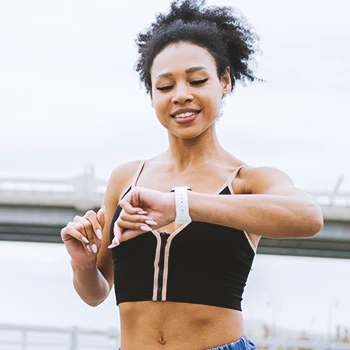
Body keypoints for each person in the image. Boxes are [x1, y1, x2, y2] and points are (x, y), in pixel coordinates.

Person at [60, 1, 324, 349]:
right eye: (165, 87)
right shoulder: (126, 178)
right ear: (152, 95)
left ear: (224, 81)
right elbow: (97, 293)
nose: (182, 95)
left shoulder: (248, 181)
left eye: (197, 80)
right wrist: (84, 264)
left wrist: (181, 205)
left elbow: (308, 217)